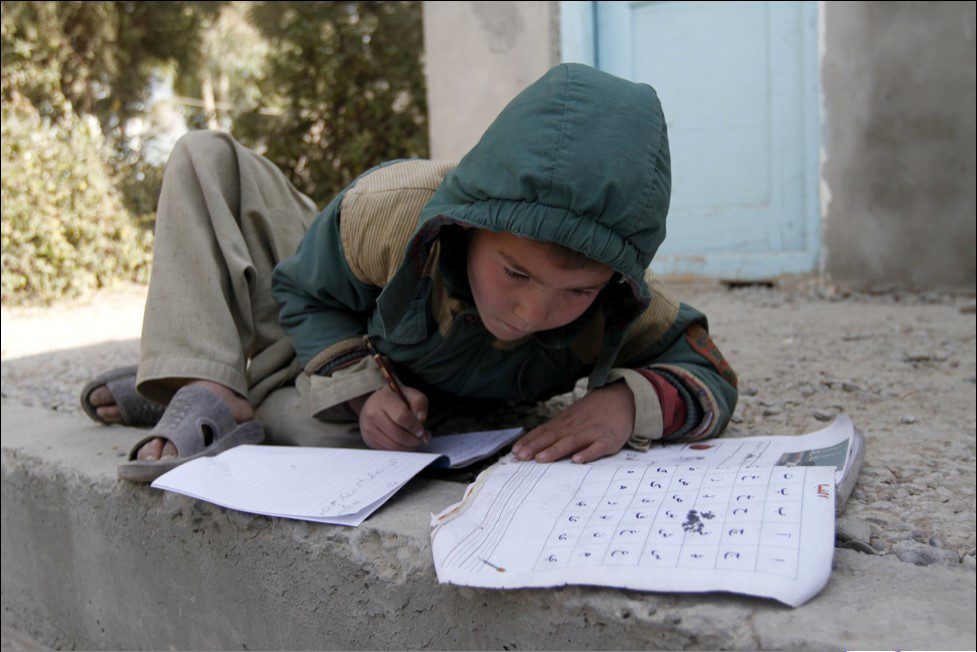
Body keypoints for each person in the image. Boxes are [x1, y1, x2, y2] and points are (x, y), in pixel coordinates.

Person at [81, 63, 738, 482]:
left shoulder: (618, 302)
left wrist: (623, 403)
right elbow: (303, 294)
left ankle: (199, 376)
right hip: (324, 289)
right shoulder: (391, 216)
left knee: (325, 436)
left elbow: (709, 366)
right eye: (513, 272)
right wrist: (367, 388)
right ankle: (208, 384)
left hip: (392, 389)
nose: (532, 313)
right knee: (204, 155)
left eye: (576, 291)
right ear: (465, 230)